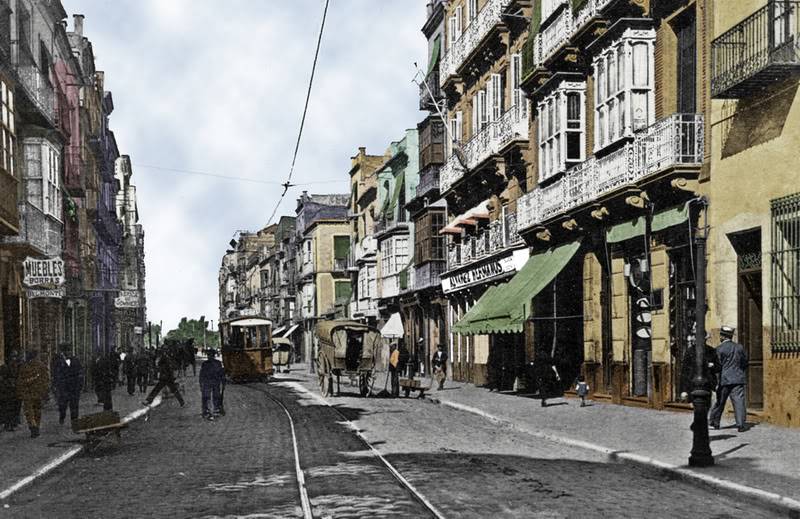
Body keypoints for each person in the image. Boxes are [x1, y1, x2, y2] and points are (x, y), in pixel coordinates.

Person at [709, 326, 749, 432]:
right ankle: (740, 424)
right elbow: (745, 362)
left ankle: (714, 422)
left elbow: (717, 366)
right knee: (739, 401)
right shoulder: (739, 347)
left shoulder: (719, 349)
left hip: (724, 379)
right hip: (738, 378)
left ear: (722, 336)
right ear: (731, 336)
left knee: (720, 401)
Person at [16, 351, 50, 438]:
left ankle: (33, 426)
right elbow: (46, 380)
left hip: (27, 393)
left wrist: (21, 392)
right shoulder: (41, 366)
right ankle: (36, 426)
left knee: (29, 411)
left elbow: (20, 381)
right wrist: (45, 391)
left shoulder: (24, 367)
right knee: (37, 411)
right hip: (38, 393)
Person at [52, 343, 84, 425]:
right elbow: (55, 374)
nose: (67, 352)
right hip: (63, 388)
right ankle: (62, 417)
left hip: (74, 388)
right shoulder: (58, 362)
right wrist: (56, 385)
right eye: (65, 351)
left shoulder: (75, 360)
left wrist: (80, 386)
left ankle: (74, 421)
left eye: (68, 350)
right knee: (62, 405)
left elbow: (80, 373)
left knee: (74, 406)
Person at [198, 349, 225, 420]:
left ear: (213, 355)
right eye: (208, 355)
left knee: (216, 396)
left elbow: (221, 373)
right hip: (208, 382)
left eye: (210, 355)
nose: (209, 356)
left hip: (215, 382)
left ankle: (216, 410)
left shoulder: (217, 363)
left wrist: (223, 381)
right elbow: (201, 374)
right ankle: (206, 411)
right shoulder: (205, 364)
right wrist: (201, 383)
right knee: (206, 397)